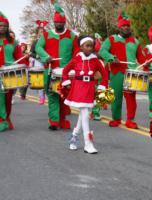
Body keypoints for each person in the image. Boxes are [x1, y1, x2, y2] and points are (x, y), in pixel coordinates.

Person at [99, 12, 147, 129]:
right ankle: (116, 118)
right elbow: (102, 51)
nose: (126, 28)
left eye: (127, 26)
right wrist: (111, 58)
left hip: (131, 73)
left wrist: (149, 64)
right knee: (116, 97)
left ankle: (130, 120)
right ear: (119, 27)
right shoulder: (111, 39)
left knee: (131, 98)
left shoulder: (135, 41)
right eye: (123, 26)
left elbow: (141, 58)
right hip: (116, 73)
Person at [35, 2, 79, 130]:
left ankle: (63, 119)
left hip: (66, 72)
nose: (58, 24)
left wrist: (73, 64)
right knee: (52, 95)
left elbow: (77, 52)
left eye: (61, 22)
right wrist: (45, 57)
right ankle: (54, 120)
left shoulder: (71, 35)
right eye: (56, 22)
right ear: (53, 22)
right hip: (50, 70)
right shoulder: (46, 35)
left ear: (64, 22)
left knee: (65, 96)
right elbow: (38, 47)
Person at [62, 36, 108, 154]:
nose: (89, 48)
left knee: (83, 114)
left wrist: (102, 86)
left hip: (90, 88)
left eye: (91, 46)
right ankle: (88, 144)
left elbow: (104, 74)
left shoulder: (96, 60)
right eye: (87, 46)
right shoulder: (76, 59)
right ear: (81, 47)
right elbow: (65, 71)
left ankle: (73, 137)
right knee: (85, 113)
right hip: (78, 88)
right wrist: (66, 82)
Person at [0, 11, 28, 131]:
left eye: (5, 26)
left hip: (10, 73)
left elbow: (19, 55)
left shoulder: (12, 41)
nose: (2, 28)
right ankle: (2, 120)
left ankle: (7, 118)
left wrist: (25, 61)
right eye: (0, 25)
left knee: (8, 98)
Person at [29, 20, 48, 105]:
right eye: (40, 32)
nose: (42, 33)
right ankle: (41, 96)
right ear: (37, 33)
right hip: (38, 63)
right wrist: (36, 56)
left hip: (47, 62)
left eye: (43, 31)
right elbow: (31, 53)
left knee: (46, 80)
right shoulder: (35, 42)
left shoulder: (48, 41)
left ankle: (44, 94)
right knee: (38, 82)